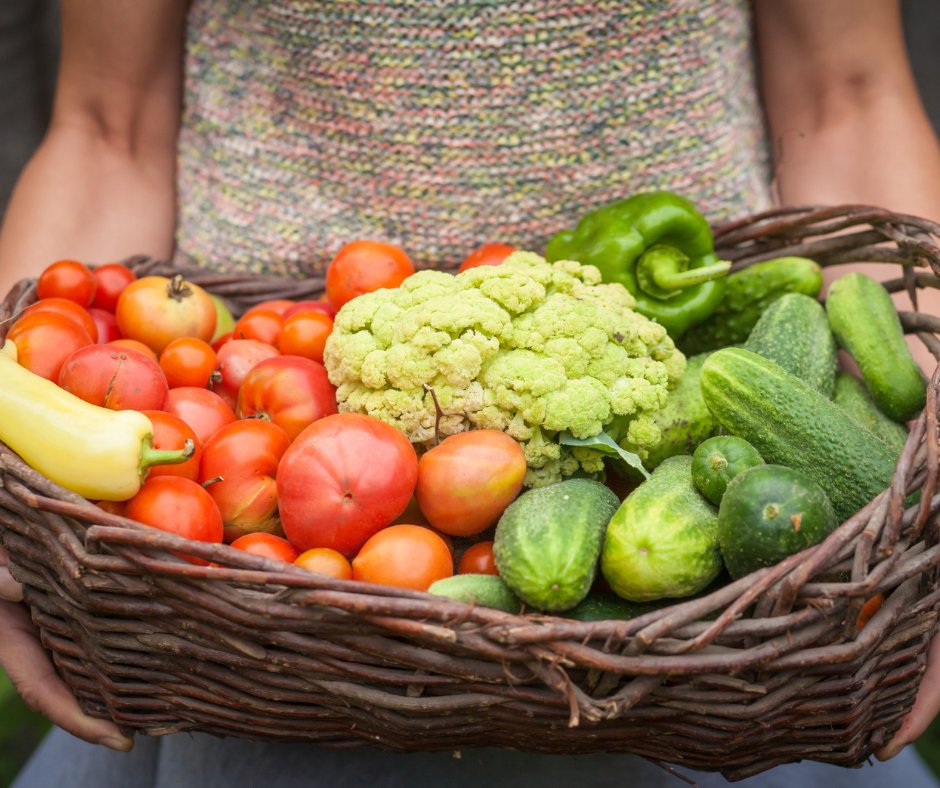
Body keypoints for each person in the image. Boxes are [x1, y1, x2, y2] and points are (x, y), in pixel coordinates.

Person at [2, 0, 940, 785]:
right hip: (241, 555)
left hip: (746, 642)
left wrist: (925, 493)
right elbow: (105, 128)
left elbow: (847, 97)